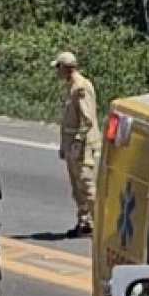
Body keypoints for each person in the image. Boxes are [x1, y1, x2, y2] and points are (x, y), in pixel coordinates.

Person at [53, 51, 101, 239]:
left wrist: (78, 142)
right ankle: (85, 222)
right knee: (76, 187)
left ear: (66, 68)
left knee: (87, 185)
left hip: (82, 147)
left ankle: (99, 223)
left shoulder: (81, 88)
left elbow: (87, 119)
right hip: (71, 145)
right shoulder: (71, 87)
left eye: (58, 67)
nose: (57, 71)